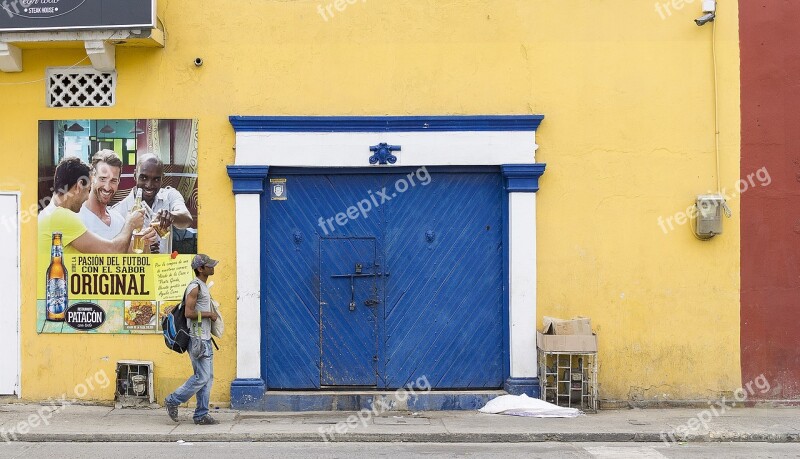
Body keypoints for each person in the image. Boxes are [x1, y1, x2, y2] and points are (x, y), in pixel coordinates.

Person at [38, 156, 147, 261]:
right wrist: (130, 224)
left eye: (113, 181)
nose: (86, 197)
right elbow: (113, 252)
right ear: (79, 186)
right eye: (88, 190)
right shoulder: (61, 216)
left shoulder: (49, 213)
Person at [165, 254, 220, 425]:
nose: (213, 267)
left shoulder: (203, 286)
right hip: (197, 339)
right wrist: (209, 314)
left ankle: (201, 414)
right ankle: (173, 400)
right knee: (201, 377)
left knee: (207, 377)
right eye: (209, 265)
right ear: (200, 269)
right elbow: (189, 314)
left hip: (204, 338)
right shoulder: (195, 287)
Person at [113, 153, 193, 254]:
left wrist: (171, 216)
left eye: (156, 179)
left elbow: (187, 219)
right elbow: (115, 251)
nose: (149, 185)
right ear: (135, 175)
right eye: (144, 178)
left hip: (164, 268)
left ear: (162, 178)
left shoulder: (169, 196)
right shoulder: (119, 210)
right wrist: (145, 248)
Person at [78, 150, 158, 249]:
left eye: (113, 181)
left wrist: (145, 242)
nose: (107, 187)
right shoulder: (77, 217)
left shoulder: (119, 219)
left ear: (119, 181)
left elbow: (132, 257)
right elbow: (109, 254)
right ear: (92, 178)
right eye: (102, 179)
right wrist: (130, 225)